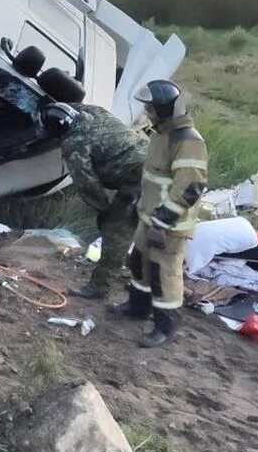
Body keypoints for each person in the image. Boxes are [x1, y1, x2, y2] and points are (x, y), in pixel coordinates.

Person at [112, 79, 208, 348]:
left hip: (170, 224)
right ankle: (137, 308)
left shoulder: (188, 141)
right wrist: (140, 204)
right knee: (139, 264)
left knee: (164, 273)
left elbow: (190, 188)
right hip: (150, 216)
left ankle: (166, 327)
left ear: (167, 110)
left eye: (152, 109)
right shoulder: (161, 134)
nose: (147, 113)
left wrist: (162, 221)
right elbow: (155, 178)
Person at [58, 98, 148, 299]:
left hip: (140, 181)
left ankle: (100, 287)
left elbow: (87, 183)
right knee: (151, 234)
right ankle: (141, 285)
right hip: (159, 164)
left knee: (117, 233)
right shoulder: (95, 112)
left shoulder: (73, 143)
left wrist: (104, 210)